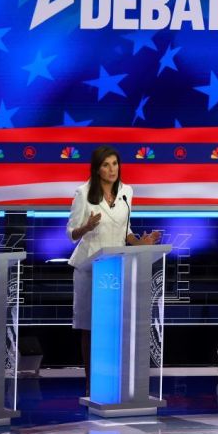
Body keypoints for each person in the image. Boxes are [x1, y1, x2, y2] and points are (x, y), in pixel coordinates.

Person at [66, 145, 160, 394]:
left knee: (113, 325)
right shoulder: (83, 193)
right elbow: (71, 234)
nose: (111, 169)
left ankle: (114, 381)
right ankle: (91, 384)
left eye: (115, 164)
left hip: (117, 270)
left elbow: (125, 232)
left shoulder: (127, 192)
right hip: (89, 267)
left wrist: (142, 243)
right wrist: (86, 227)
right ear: (97, 169)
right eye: (106, 165)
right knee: (90, 326)